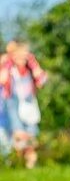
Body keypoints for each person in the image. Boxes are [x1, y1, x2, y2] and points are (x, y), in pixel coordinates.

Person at [0, 40, 49, 170]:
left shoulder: (30, 68)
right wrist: (8, 60)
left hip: (29, 107)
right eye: (18, 54)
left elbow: (41, 81)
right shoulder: (8, 67)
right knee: (18, 137)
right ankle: (17, 163)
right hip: (12, 109)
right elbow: (2, 79)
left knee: (31, 138)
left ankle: (29, 166)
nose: (21, 57)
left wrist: (33, 64)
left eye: (24, 54)